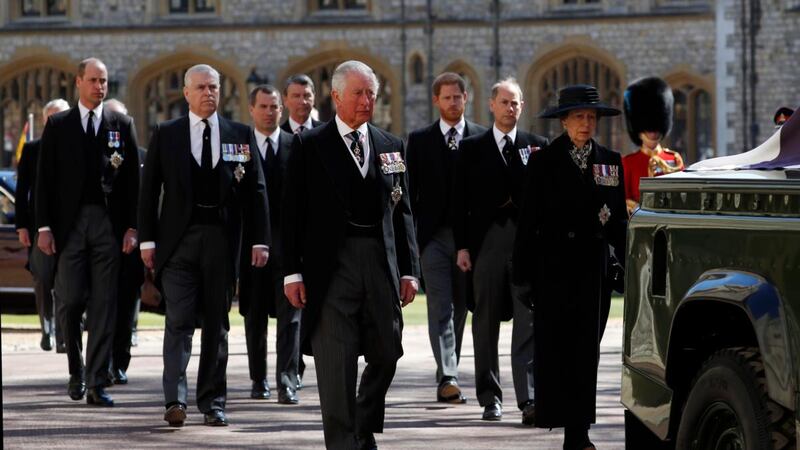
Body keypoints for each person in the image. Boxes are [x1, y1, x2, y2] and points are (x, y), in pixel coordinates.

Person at [282, 60, 420, 449]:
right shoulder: (310, 146)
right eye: (358, 93)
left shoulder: (392, 146)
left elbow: (404, 212)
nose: (366, 101)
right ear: (337, 97)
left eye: (371, 94)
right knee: (336, 363)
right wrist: (292, 273)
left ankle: (362, 420)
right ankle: (344, 442)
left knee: (388, 350)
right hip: (331, 268)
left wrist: (410, 271)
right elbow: (291, 214)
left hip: (379, 262)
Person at [139, 64, 270, 427]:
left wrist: (260, 240)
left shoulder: (239, 134)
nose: (208, 93)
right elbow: (149, 192)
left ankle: (213, 402)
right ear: (186, 93)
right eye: (200, 87)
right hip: (178, 242)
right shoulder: (167, 134)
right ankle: (175, 400)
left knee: (218, 324)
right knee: (179, 320)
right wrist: (147, 239)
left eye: (213, 87)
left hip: (222, 241)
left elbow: (256, 191)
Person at [512, 84, 627, 450]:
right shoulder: (544, 161)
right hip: (554, 270)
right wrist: (523, 276)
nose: (585, 124)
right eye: (578, 116)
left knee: (586, 352)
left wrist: (627, 264)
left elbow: (619, 223)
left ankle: (580, 431)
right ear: (563, 121)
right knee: (557, 351)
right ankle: (565, 426)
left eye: (591, 117)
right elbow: (528, 220)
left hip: (593, 272)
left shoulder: (610, 160)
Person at [36, 58, 140, 407]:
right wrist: (44, 227)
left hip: (107, 226)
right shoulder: (59, 124)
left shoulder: (121, 124)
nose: (99, 86)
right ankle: (76, 369)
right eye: (93, 80)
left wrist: (131, 228)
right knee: (70, 300)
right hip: (69, 226)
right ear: (78, 82)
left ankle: (97, 382)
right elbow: (44, 180)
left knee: (104, 305)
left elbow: (131, 184)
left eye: (104, 81)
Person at [452, 78, 547, 424]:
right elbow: (459, 201)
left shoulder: (537, 146)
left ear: (522, 107)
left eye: (516, 103)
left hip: (526, 247)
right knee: (485, 321)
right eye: (504, 102)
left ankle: (529, 398)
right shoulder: (471, 148)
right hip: (485, 245)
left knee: (528, 321)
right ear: (491, 105)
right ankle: (490, 397)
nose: (511, 108)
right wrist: (462, 246)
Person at [406, 72, 486, 404]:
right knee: (440, 305)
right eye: (447, 97)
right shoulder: (419, 140)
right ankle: (449, 375)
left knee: (461, 307)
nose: (453, 102)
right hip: (434, 239)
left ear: (466, 99)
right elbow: (410, 194)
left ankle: (447, 370)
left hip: (469, 239)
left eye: (458, 96)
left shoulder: (481, 139)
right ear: (436, 100)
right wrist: (416, 243)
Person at [239, 84, 301, 404]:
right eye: (262, 107)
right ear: (251, 110)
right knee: (254, 316)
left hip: (289, 248)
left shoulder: (297, 146)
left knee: (290, 317)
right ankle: (258, 378)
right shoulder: (240, 147)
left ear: (282, 109)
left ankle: (287, 381)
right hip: (252, 248)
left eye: (274, 107)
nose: (269, 112)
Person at [16, 98, 70, 352]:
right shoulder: (32, 149)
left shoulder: (75, 148)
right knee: (42, 280)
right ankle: (46, 329)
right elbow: (22, 190)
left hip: (69, 229)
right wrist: (22, 227)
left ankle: (63, 333)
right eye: (53, 117)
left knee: (67, 283)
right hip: (40, 228)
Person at [100, 98, 145, 386]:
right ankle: (99, 362)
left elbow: (146, 200)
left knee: (126, 304)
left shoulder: (143, 156)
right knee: (100, 304)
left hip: (128, 241)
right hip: (99, 237)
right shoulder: (94, 153)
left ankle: (119, 361)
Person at [621, 77, 684, 215]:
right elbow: (624, 197)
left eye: (655, 128)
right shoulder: (628, 162)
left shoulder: (674, 159)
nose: (652, 133)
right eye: (648, 129)